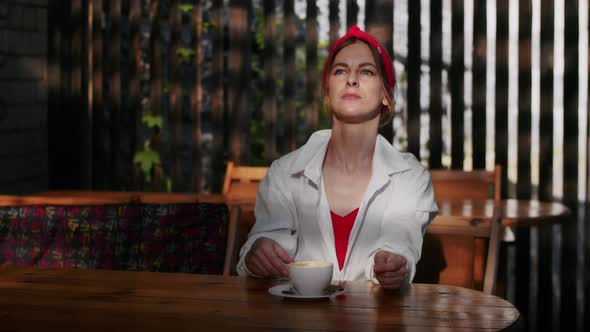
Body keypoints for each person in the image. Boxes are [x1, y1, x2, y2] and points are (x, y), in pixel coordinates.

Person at [236, 26, 438, 290]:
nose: (351, 79)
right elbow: (268, 239)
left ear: (386, 96)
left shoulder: (410, 177)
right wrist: (257, 253)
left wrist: (394, 264)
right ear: (327, 93)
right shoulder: (284, 172)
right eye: (340, 70)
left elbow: (400, 242)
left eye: (367, 71)